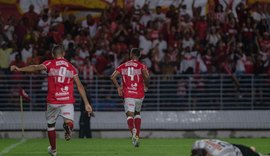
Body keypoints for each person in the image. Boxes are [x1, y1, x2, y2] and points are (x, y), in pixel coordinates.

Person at [10, 45, 94, 156]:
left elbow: (35, 67)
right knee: (69, 122)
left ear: (53, 54)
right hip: (67, 100)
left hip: (53, 101)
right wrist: (87, 103)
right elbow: (80, 86)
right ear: (63, 54)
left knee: (51, 125)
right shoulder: (71, 67)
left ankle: (53, 150)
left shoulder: (50, 63)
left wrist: (19, 69)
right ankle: (68, 127)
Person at [110, 48, 149, 147]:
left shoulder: (123, 65)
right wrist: (146, 85)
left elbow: (112, 76)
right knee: (137, 113)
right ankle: (137, 136)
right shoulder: (142, 65)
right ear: (139, 55)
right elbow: (147, 76)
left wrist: (119, 87)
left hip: (128, 94)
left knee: (129, 115)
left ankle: (133, 133)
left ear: (131, 55)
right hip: (139, 94)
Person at [191, 139, 269, 156]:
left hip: (242, 154)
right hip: (230, 146)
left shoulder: (221, 154)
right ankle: (251, 149)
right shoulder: (197, 143)